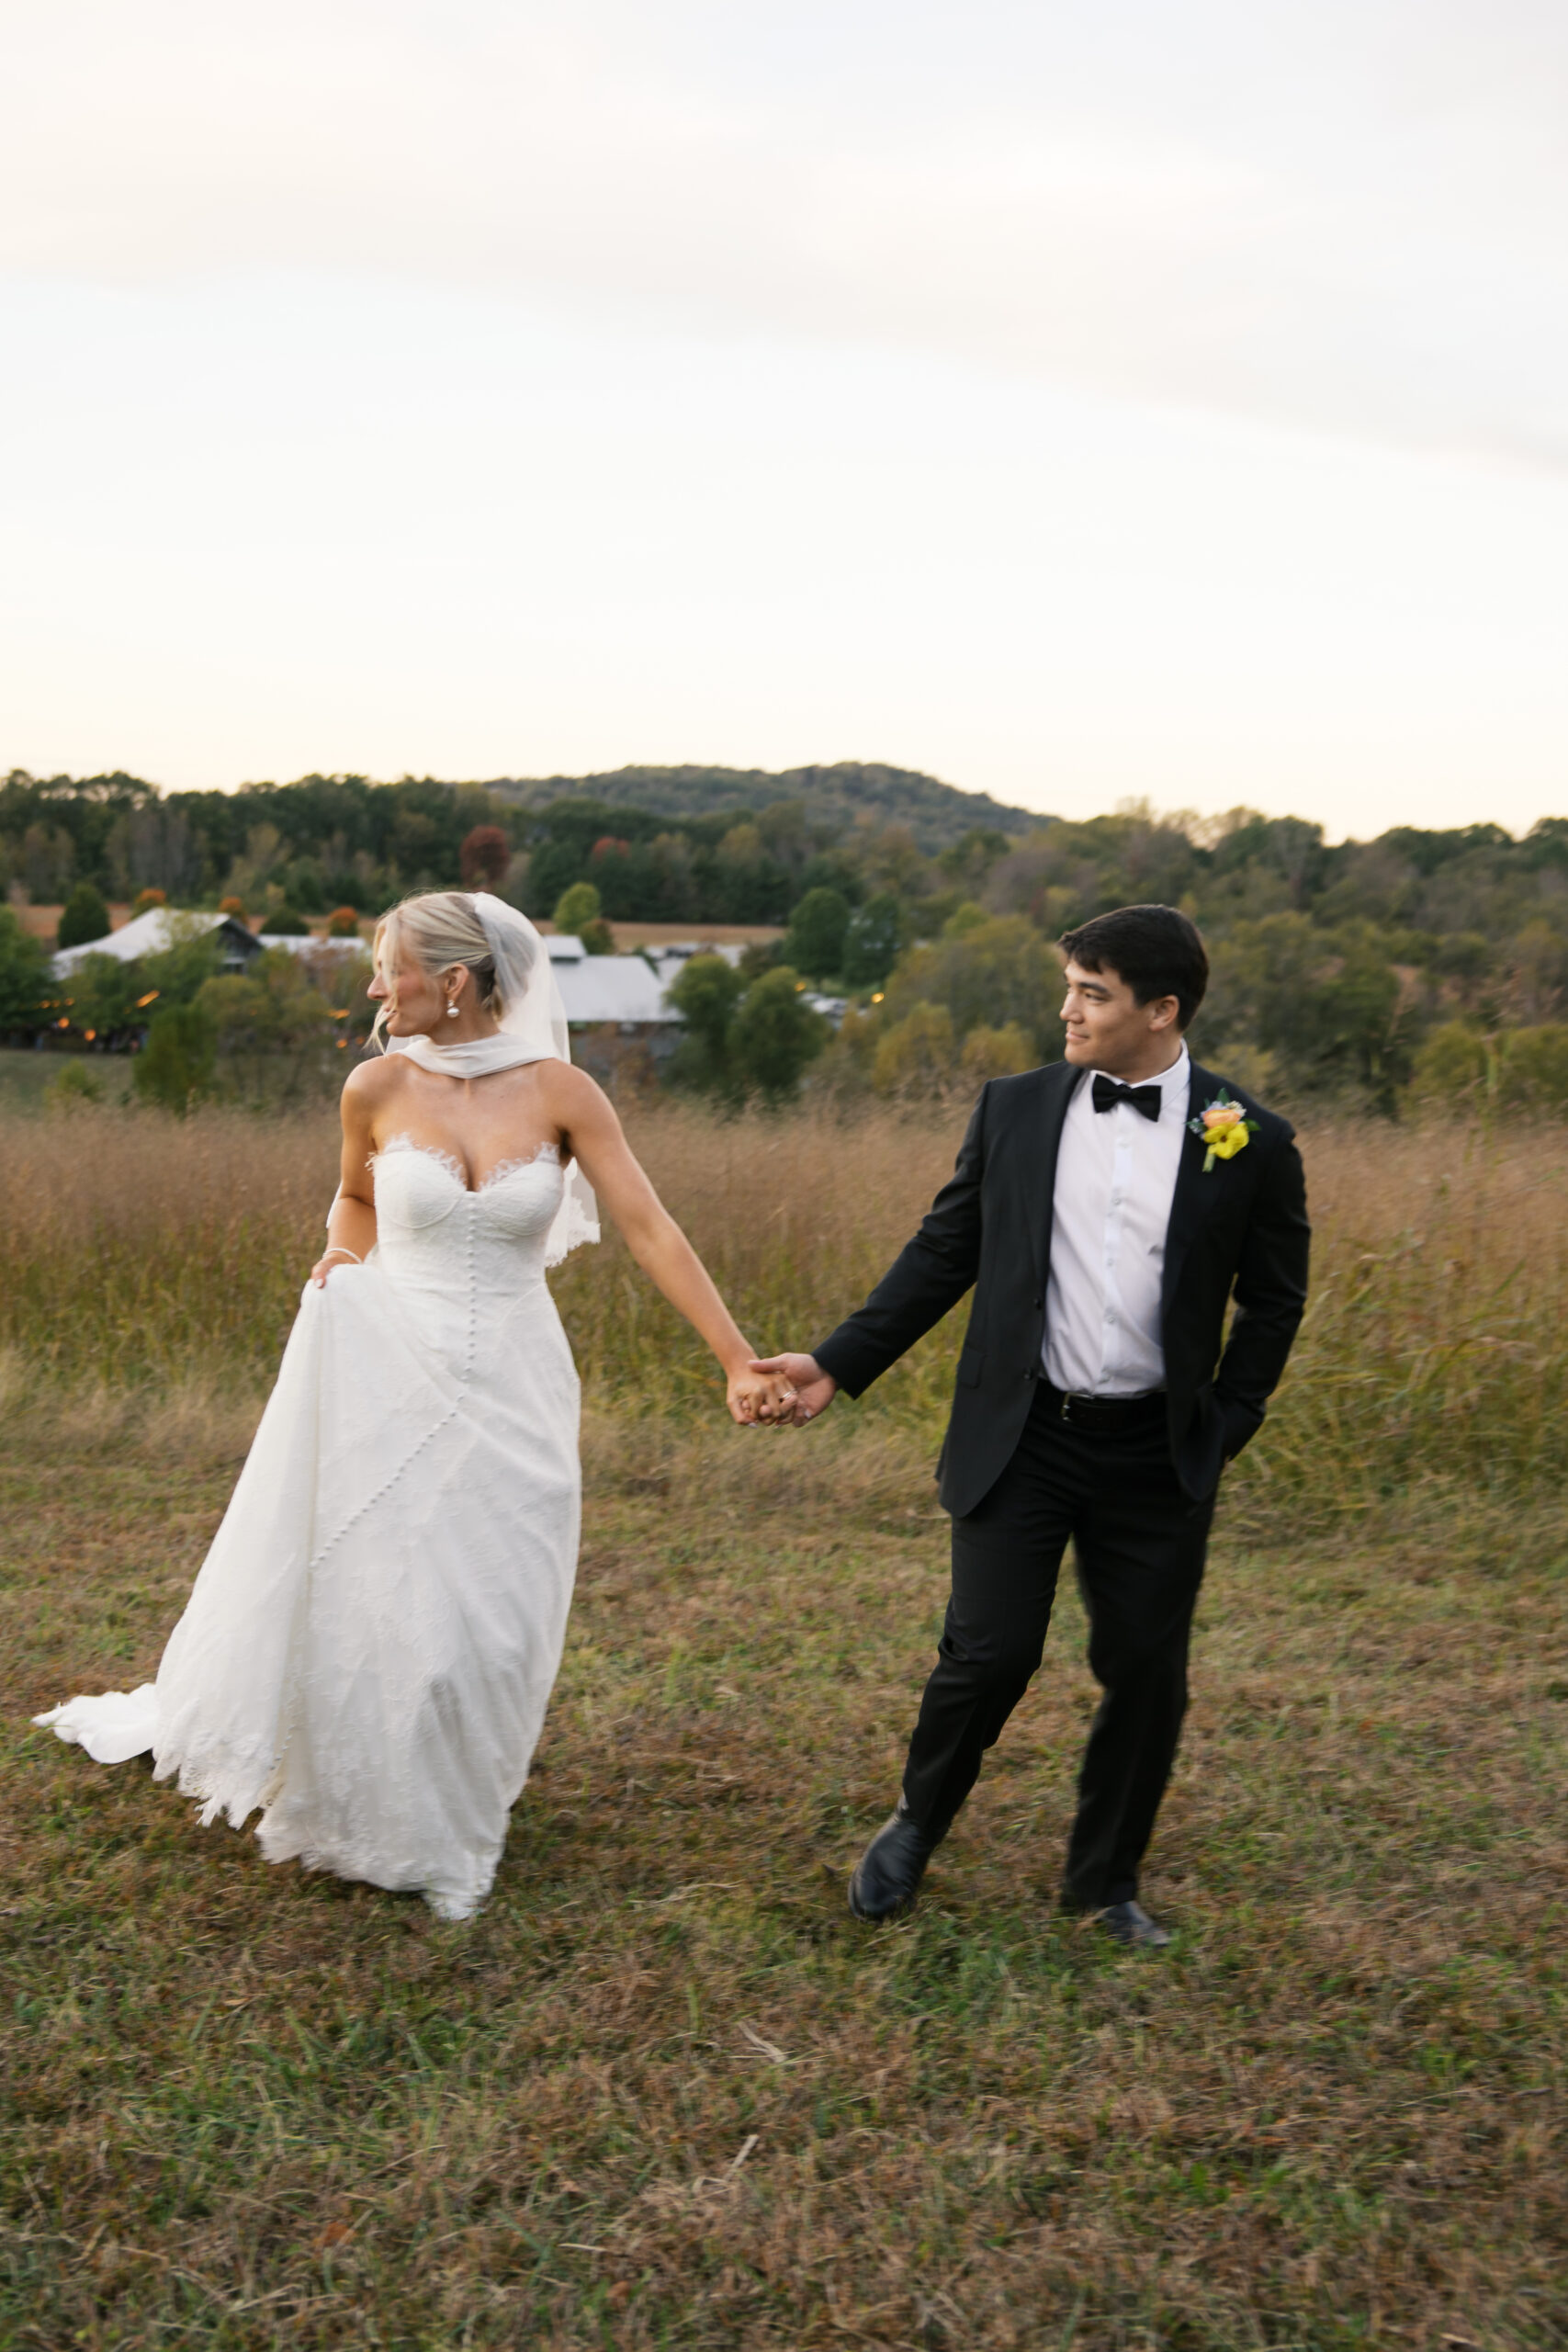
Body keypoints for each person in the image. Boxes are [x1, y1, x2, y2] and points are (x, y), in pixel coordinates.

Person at [36, 889, 795, 1918]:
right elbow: (355, 1195)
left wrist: (736, 1358)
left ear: (451, 981)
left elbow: (650, 1226)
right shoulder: (375, 1086)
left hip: (519, 1380)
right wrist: (342, 1261)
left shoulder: (564, 1093)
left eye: (386, 965)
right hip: (394, 1359)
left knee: (495, 1611)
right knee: (391, 1592)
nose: (373, 984)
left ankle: (464, 1795)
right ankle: (395, 1814)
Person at [753, 904, 1310, 1946]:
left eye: (1092, 993)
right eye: (1071, 986)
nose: (1068, 1010)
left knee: (1148, 1672)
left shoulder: (1252, 1140)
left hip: (1157, 1452)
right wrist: (835, 1362)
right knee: (990, 1651)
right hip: (1026, 1434)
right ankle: (918, 1823)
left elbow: (1275, 1300)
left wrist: (1224, 1422)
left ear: (1162, 1009)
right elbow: (942, 1251)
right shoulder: (1012, 1109)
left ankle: (1104, 1882)